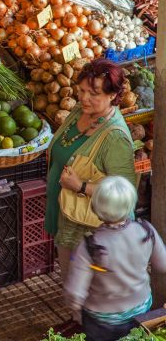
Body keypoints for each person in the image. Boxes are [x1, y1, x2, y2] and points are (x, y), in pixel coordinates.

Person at [44, 59, 136, 277]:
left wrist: (81, 186)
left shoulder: (115, 138)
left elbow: (125, 190)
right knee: (72, 283)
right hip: (67, 215)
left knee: (88, 289)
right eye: (82, 90)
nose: (84, 98)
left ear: (112, 95)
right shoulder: (79, 111)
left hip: (91, 229)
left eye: (94, 93)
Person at [64, 176, 166, 340]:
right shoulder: (146, 231)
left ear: (96, 207)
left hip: (102, 319)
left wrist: (76, 311)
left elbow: (75, 292)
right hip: (140, 309)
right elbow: (163, 265)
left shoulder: (91, 244)